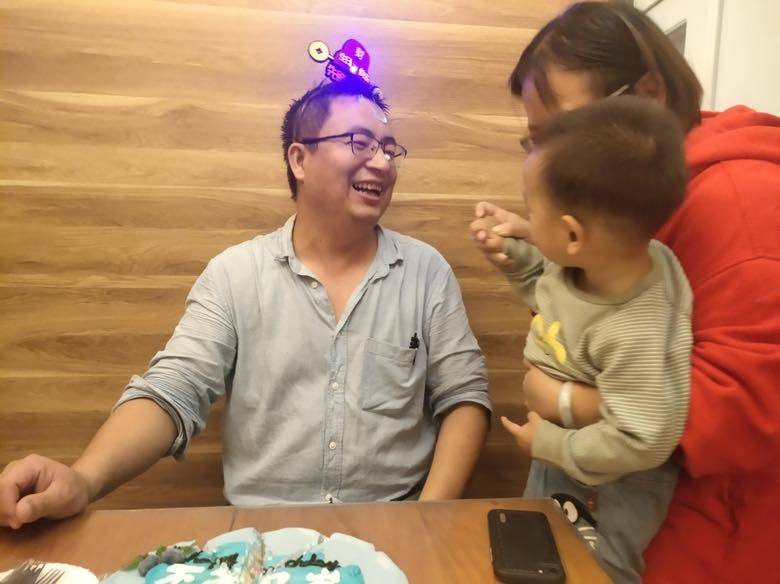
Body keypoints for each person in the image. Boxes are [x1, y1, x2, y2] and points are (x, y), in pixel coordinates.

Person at [0, 79, 491, 529]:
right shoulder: (235, 274)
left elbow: (465, 398)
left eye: (388, 148)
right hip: (265, 540)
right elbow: (174, 389)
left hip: (396, 531)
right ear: (299, 160)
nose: (382, 163)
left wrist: (427, 520)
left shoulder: (425, 271)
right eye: (359, 143)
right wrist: (83, 480)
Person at [470, 2, 780, 582]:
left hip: (692, 543)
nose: (548, 159)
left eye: (558, 133)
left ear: (648, 94)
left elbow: (739, 414)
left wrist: (563, 401)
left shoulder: (742, 203)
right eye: (536, 140)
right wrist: (538, 252)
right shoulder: (628, 198)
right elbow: (595, 326)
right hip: (607, 501)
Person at [497, 95, 691, 583]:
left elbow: (643, 439)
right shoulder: (606, 264)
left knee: (591, 572)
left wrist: (553, 442)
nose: (525, 217)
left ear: (573, 236)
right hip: (563, 452)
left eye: (531, 208)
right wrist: (519, 257)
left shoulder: (634, 329)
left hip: (613, 483)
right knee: (536, 559)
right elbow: (556, 298)